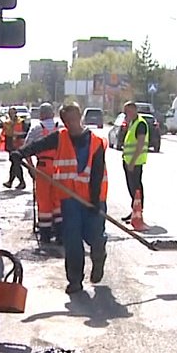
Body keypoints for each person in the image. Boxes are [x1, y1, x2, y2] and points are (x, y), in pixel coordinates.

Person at [12, 103, 108, 294]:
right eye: (67, 121)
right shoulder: (60, 137)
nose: (71, 124)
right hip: (69, 200)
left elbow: (97, 173)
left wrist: (95, 201)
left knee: (94, 237)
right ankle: (75, 280)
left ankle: (99, 256)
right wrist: (21, 153)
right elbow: (39, 145)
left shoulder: (96, 142)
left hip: (93, 199)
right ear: (63, 121)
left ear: (80, 117)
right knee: (72, 240)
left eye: (73, 119)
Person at [24, 103, 63, 243]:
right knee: (58, 201)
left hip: (42, 168)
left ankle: (45, 234)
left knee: (44, 202)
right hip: (60, 168)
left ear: (41, 114)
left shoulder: (35, 129)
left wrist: (31, 168)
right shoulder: (61, 128)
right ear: (52, 114)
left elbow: (26, 149)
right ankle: (60, 233)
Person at [119, 101, 149, 222]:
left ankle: (138, 212)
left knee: (136, 188)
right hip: (128, 161)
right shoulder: (132, 123)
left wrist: (132, 162)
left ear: (134, 110)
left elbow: (140, 144)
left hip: (135, 163)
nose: (126, 114)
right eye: (125, 112)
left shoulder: (140, 124)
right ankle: (134, 211)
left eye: (128, 111)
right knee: (131, 188)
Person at [0, 107, 27, 189]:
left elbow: (26, 133)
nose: (11, 114)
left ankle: (20, 182)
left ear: (16, 113)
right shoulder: (7, 123)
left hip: (18, 146)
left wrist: (18, 134)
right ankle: (12, 182)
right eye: (10, 113)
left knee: (16, 164)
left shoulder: (21, 122)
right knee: (15, 164)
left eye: (12, 113)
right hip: (10, 146)